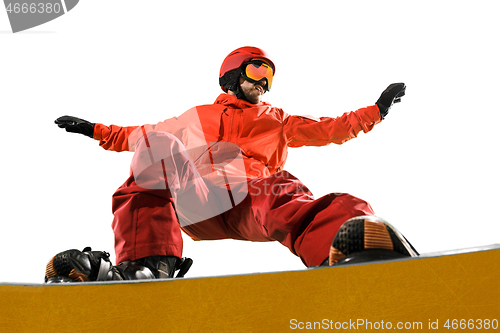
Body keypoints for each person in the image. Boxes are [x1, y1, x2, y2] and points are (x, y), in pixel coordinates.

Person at [45, 46, 417, 283]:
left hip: (251, 201)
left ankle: (346, 245)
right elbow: (141, 133)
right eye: (257, 72)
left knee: (277, 186)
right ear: (233, 75)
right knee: (157, 145)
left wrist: (376, 112)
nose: (264, 83)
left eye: (269, 77)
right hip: (199, 200)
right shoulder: (198, 117)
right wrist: (94, 130)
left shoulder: (277, 119)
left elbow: (329, 128)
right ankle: (145, 267)